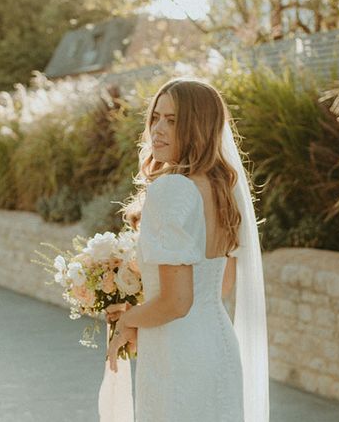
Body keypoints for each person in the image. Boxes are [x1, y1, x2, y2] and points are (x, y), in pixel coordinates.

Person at [102, 77, 269, 421]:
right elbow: (219, 287)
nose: (157, 129)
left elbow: (177, 302)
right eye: (155, 118)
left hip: (177, 357)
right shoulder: (224, 189)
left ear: (198, 127)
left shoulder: (172, 190)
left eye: (173, 120)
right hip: (217, 346)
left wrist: (128, 320)